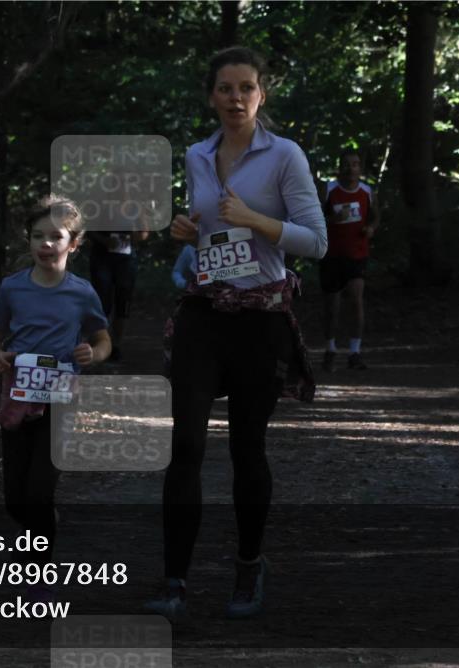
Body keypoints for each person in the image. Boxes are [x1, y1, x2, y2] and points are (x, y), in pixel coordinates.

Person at [146, 47, 326, 620]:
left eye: (246, 88)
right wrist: (185, 228)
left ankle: (249, 567)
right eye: (225, 88)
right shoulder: (198, 155)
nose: (235, 98)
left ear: (261, 95)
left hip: (261, 319)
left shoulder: (285, 156)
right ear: (211, 96)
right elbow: (206, 228)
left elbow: (316, 241)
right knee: (186, 447)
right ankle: (175, 580)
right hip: (204, 312)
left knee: (247, 449)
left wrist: (257, 221)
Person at [0, 195, 111, 599]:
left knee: (39, 490)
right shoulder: (12, 287)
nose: (45, 244)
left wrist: (93, 354)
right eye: (38, 236)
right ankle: (40, 525)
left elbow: (102, 338)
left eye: (55, 236)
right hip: (18, 394)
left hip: (60, 396)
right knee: (14, 498)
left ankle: (37, 567)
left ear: (73, 243)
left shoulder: (82, 292)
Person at [319, 149, 380, 371]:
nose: (350, 168)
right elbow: (313, 216)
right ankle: (330, 348)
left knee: (356, 299)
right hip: (331, 255)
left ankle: (355, 351)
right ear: (339, 167)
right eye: (346, 164)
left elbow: (375, 216)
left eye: (355, 164)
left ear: (360, 168)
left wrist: (370, 228)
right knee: (332, 306)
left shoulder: (366, 191)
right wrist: (330, 219)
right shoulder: (328, 189)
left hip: (357, 254)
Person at [88, 213, 149, 362]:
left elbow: (144, 232)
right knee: (102, 303)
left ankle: (116, 346)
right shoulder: (100, 205)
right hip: (102, 259)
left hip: (125, 261)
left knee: (123, 303)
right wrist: (105, 241)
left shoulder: (135, 207)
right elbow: (88, 230)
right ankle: (101, 343)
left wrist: (134, 238)